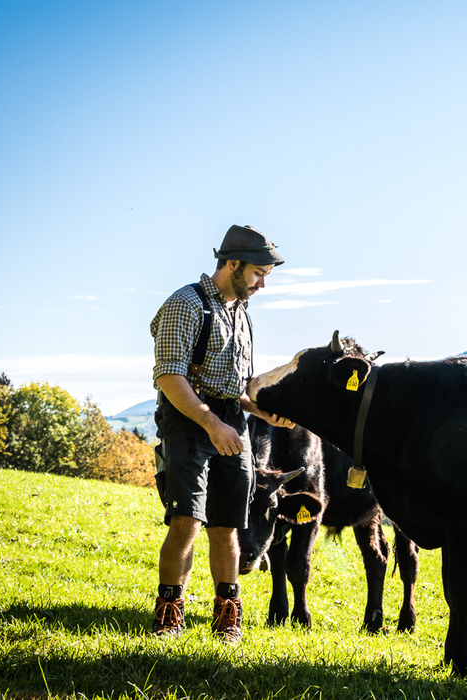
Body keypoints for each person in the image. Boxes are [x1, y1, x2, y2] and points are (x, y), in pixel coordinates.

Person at [148, 224, 294, 642]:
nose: (262, 284)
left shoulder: (241, 312)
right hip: (188, 419)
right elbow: (170, 376)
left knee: (227, 524)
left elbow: (236, 387)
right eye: (257, 273)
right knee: (186, 520)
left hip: (233, 423)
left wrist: (261, 412)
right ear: (232, 263)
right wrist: (211, 424)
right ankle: (168, 613)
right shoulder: (185, 304)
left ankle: (227, 617)